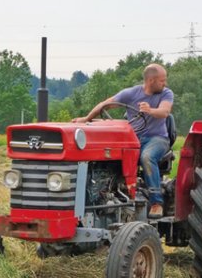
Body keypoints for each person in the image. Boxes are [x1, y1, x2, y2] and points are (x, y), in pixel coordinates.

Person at [73, 63, 174, 217]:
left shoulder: (166, 93)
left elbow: (165, 112)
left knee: (147, 157)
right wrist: (86, 119)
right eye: (162, 80)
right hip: (132, 139)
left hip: (157, 138)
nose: (165, 83)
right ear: (151, 80)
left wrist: (150, 110)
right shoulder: (131, 93)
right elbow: (104, 105)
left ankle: (156, 203)